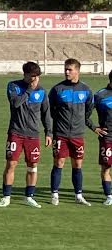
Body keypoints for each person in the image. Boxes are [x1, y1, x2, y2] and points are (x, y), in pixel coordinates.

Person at [0, 61, 51, 209]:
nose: (35, 79)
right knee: (11, 164)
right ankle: (6, 197)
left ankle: (29, 196)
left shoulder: (42, 91)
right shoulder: (13, 86)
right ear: (25, 74)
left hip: (33, 135)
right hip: (16, 133)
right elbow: (15, 103)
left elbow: (46, 113)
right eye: (32, 76)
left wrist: (48, 132)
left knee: (33, 165)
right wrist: (29, 90)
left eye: (37, 76)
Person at [47, 58, 93, 205]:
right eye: (65, 69)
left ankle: (78, 195)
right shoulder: (57, 89)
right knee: (59, 162)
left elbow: (88, 110)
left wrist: (80, 123)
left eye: (70, 69)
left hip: (78, 135)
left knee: (77, 164)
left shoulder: (86, 90)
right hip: (60, 134)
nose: (66, 72)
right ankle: (54, 194)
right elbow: (50, 110)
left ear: (77, 71)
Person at [94, 71, 112, 205]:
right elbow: (84, 112)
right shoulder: (100, 95)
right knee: (106, 167)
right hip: (107, 138)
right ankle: (109, 196)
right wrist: (94, 127)